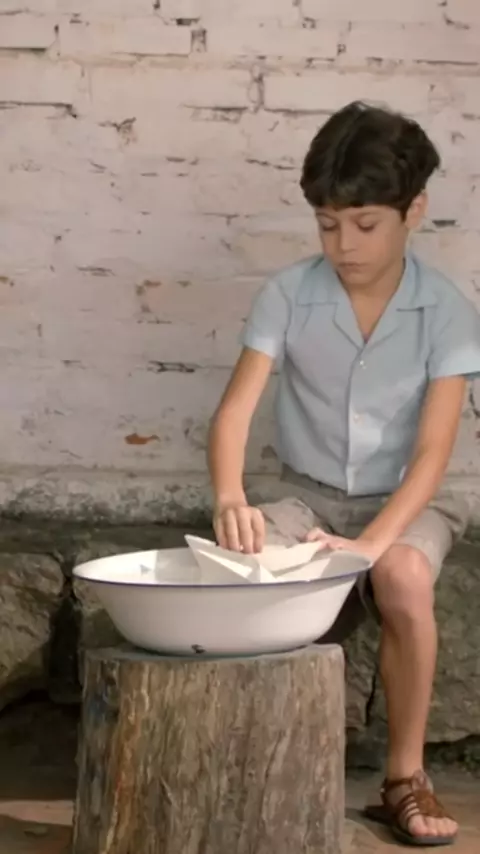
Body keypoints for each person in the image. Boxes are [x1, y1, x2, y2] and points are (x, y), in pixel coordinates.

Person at [207, 101, 480, 847]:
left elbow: (433, 455)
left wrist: (371, 546)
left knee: (402, 576)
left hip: (409, 500)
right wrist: (230, 497)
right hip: (307, 494)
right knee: (245, 561)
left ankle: (404, 778)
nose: (344, 245)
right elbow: (234, 413)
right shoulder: (288, 294)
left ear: (413, 210)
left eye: (365, 224)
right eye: (327, 225)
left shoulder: (447, 312)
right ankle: (252, 768)